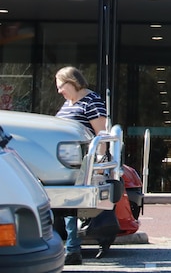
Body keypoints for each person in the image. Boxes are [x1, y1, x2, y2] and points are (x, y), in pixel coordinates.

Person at [54, 66, 108, 266]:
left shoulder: (91, 101)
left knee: (71, 204)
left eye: (61, 86)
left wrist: (100, 164)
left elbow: (101, 135)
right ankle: (67, 247)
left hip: (82, 163)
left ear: (72, 82)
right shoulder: (68, 104)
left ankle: (72, 248)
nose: (59, 91)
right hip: (63, 163)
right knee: (64, 204)